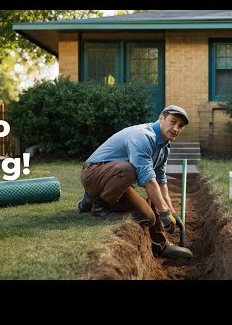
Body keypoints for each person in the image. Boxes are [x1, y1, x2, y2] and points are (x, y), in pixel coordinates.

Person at [76, 105, 193, 259]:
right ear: (161, 118)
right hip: (93, 173)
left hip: (116, 180)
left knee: (149, 213)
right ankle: (98, 207)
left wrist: (172, 212)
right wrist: (164, 212)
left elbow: (160, 181)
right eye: (173, 122)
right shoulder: (143, 137)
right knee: (130, 171)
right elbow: (148, 181)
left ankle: (161, 246)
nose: (176, 128)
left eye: (181, 126)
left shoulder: (164, 147)